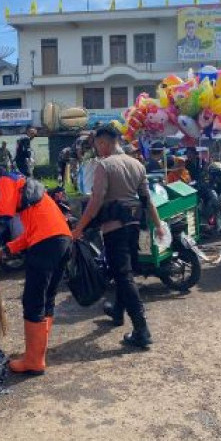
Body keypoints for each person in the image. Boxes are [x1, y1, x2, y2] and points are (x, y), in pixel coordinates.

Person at [72, 125, 165, 348]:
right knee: (125, 272)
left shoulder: (104, 165)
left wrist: (78, 228)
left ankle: (141, 329)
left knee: (123, 276)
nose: (96, 149)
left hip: (114, 229)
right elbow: (147, 200)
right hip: (135, 225)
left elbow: (95, 202)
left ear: (103, 143)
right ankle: (117, 312)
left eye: (96, 145)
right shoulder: (137, 164)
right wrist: (158, 225)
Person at [0, 164, 71, 374]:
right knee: (46, 298)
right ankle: (38, 354)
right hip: (62, 241)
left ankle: (33, 361)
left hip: (47, 243)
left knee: (32, 301)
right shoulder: (25, 192)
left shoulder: (6, 180)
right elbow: (31, 234)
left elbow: (5, 210)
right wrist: (5, 249)